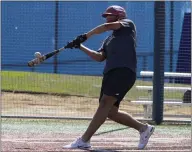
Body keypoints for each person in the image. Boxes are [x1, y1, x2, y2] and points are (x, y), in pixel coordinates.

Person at [63, 5, 155, 150]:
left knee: (105, 104)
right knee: (110, 112)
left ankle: (84, 140)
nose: (107, 17)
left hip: (123, 71)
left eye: (109, 15)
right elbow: (99, 57)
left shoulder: (128, 25)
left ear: (119, 16)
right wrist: (79, 46)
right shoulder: (108, 40)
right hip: (111, 73)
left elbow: (106, 26)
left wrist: (86, 35)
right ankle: (144, 129)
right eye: (106, 15)